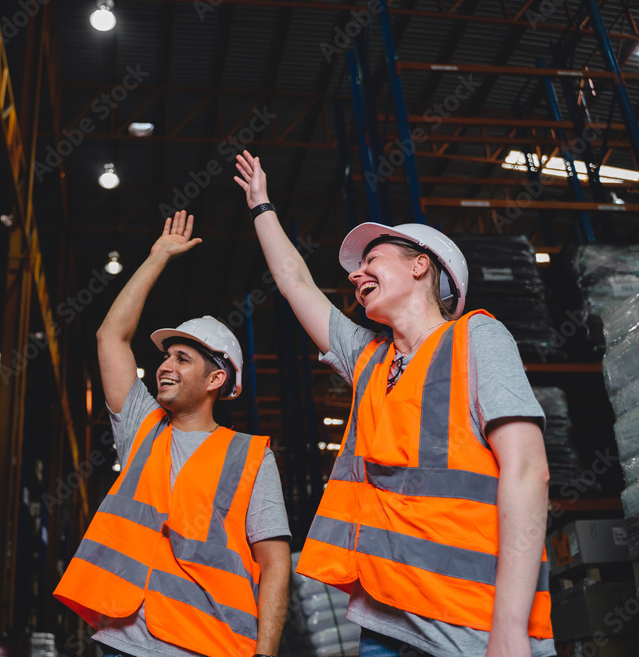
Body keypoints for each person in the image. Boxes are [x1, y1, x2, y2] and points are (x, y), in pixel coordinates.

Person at [234, 150, 553, 657]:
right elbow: (295, 283)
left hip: (470, 624)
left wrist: (510, 629)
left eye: (371, 261)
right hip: (385, 621)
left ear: (421, 266)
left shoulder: (477, 339)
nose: (357, 275)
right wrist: (261, 206)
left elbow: (528, 470)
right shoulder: (368, 359)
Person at [54, 210, 292, 657]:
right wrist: (157, 257)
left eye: (183, 359)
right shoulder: (142, 426)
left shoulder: (251, 457)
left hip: (206, 643)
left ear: (215, 380)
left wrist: (266, 653)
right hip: (123, 637)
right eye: (167, 356)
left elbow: (274, 563)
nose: (165, 366)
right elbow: (111, 338)